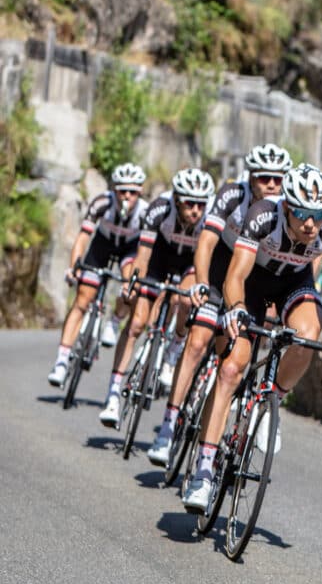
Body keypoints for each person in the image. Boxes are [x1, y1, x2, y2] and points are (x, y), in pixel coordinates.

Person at [181, 164, 322, 513]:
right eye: (303, 213)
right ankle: (203, 468)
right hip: (254, 284)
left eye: (318, 215)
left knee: (309, 335)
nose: (310, 224)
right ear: (287, 206)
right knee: (233, 367)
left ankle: (269, 401)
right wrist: (236, 309)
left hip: (295, 282)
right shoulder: (262, 214)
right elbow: (236, 275)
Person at [146, 144, 293, 466]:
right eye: (264, 177)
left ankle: (216, 427)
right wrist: (200, 281)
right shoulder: (231, 194)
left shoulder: (286, 210)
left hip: (252, 278)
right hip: (219, 268)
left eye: (278, 179)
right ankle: (168, 428)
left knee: (231, 361)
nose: (272, 184)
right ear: (251, 177)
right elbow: (207, 242)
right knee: (198, 342)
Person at [97, 167, 215, 428]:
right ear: (176, 200)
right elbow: (143, 254)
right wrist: (133, 283)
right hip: (159, 258)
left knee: (183, 300)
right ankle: (113, 393)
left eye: (200, 204)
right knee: (137, 324)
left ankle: (174, 348)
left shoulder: (210, 217)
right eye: (189, 204)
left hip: (189, 263)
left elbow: (206, 258)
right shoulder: (159, 208)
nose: (196, 210)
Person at [47, 163, 149, 387]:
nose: (127, 196)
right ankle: (62, 360)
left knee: (130, 287)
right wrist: (75, 268)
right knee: (82, 300)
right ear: (114, 190)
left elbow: (144, 252)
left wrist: (133, 280)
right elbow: (83, 237)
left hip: (129, 250)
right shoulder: (102, 203)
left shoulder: (145, 212)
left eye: (132, 191)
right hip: (101, 246)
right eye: (122, 190)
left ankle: (115, 320)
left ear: (140, 192)